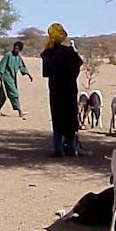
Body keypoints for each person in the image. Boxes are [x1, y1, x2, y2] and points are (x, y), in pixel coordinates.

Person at [40, 23, 83, 157]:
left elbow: (45, 73)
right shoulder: (70, 52)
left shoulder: (47, 54)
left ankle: (58, 149)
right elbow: (78, 66)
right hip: (70, 90)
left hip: (56, 91)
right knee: (70, 116)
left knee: (57, 117)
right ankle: (71, 148)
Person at [0, 41, 33, 119]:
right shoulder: (8, 55)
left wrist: (29, 75)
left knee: (3, 94)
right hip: (6, 77)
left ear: (20, 50)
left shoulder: (18, 57)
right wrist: (1, 75)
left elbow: (22, 67)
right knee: (14, 93)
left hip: (13, 77)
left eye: (17, 49)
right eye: (15, 48)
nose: (15, 50)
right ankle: (19, 111)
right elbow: (2, 65)